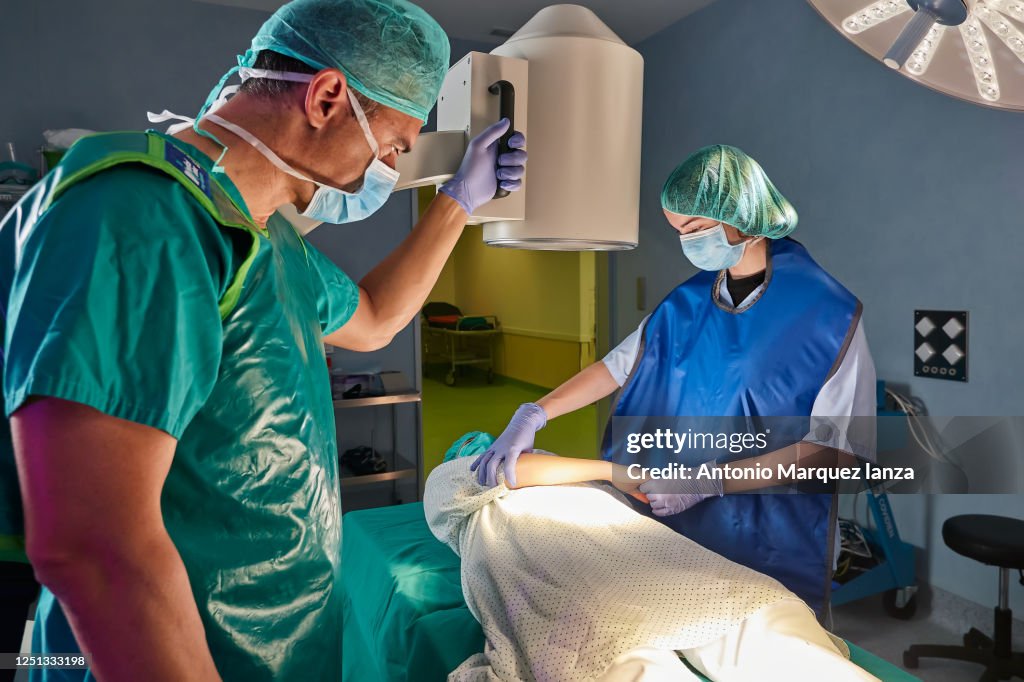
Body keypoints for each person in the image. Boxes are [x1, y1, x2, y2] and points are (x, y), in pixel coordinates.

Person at [0, 0, 526, 680]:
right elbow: (94, 546)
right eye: (394, 145)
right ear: (328, 96)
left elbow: (372, 318)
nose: (388, 169)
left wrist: (459, 200)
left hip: (274, 643)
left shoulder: (267, 234)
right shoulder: (138, 210)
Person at [472, 145, 875, 615]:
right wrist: (536, 412)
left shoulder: (829, 315)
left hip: (769, 536)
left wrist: (710, 482)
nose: (688, 243)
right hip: (671, 518)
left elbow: (839, 452)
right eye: (679, 231)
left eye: (696, 229)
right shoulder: (685, 304)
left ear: (741, 218)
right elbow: (614, 367)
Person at [427, 440, 879, 681]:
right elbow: (506, 471)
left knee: (751, 612)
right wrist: (611, 471)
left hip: (650, 560)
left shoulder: (581, 485)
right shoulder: (452, 480)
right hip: (554, 563)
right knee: (614, 651)